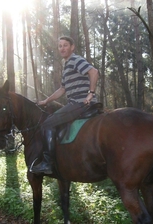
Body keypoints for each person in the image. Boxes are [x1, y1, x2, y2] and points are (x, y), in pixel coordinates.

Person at [30, 36, 99, 174]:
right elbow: (62, 89)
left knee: (47, 124)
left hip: (80, 103)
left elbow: (94, 71)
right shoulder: (67, 65)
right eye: (60, 46)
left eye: (65, 45)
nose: (62, 48)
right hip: (76, 102)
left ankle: (47, 164)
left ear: (72, 47)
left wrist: (91, 93)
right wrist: (46, 101)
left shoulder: (75, 60)